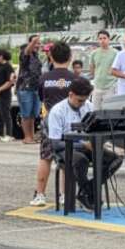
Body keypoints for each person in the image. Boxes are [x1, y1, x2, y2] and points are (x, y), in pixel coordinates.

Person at [46, 77, 121, 211]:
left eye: (85, 100)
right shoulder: (57, 111)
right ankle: (88, 193)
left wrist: (106, 145)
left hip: (86, 146)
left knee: (115, 159)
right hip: (66, 148)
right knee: (81, 160)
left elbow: (96, 131)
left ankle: (86, 190)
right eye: (79, 100)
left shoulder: (89, 107)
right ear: (71, 95)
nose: (82, 104)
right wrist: (83, 146)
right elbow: (56, 145)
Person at [31, 41, 76, 206]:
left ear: (50, 56)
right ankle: (64, 194)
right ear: (70, 57)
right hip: (70, 122)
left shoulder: (44, 78)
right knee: (67, 157)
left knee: (45, 157)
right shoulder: (75, 78)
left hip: (50, 120)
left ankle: (40, 194)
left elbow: (42, 98)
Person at [16, 34, 44, 143]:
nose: (37, 45)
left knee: (33, 114)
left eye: (38, 43)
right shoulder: (25, 53)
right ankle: (27, 137)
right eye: (35, 43)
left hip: (36, 87)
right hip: (25, 87)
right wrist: (33, 42)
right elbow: (27, 51)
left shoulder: (37, 55)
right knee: (26, 113)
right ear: (29, 43)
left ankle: (31, 136)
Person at [86, 30, 118, 107]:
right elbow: (92, 69)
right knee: (96, 111)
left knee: (109, 110)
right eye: (100, 38)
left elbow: (118, 69)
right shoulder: (94, 53)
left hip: (110, 87)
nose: (102, 40)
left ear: (109, 39)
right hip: (97, 87)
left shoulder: (115, 53)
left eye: (104, 38)